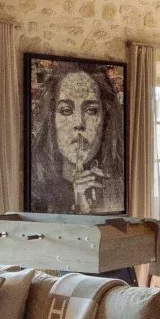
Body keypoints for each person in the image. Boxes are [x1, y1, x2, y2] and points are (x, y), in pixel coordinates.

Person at [28, 62, 126, 214]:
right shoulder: (37, 191)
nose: (79, 123)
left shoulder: (120, 184)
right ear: (52, 119)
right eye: (66, 111)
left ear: (105, 118)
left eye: (91, 110)